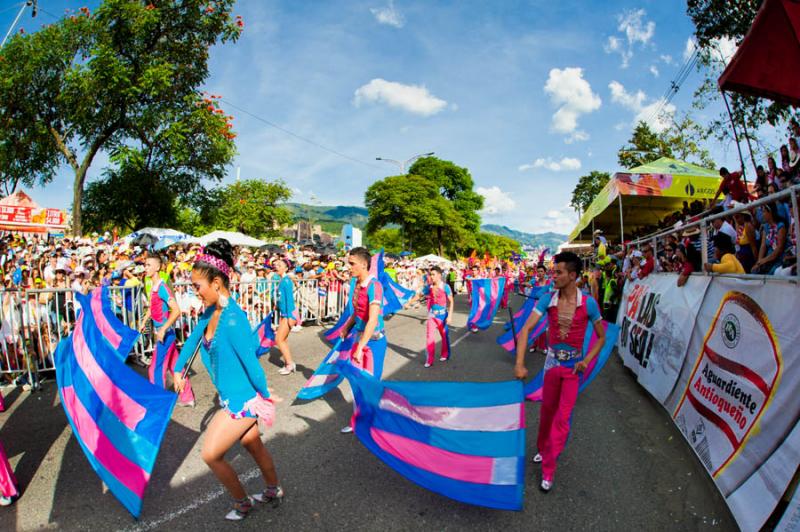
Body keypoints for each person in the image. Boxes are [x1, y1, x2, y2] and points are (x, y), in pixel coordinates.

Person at [173, 239, 283, 521]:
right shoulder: (211, 312)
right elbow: (193, 339)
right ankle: (274, 489)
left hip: (242, 400)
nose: (194, 292)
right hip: (231, 396)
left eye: (198, 286)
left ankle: (242, 502)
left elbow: (252, 365)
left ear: (218, 284)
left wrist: (264, 395)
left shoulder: (233, 319)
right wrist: (177, 369)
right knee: (253, 445)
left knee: (210, 454)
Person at [513, 252, 605, 492]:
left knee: (562, 419)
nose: (554, 276)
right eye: (553, 272)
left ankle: (549, 469)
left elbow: (601, 338)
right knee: (547, 414)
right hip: (552, 367)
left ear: (572, 275)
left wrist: (586, 360)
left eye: (559, 272)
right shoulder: (547, 299)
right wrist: (520, 363)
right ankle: (543, 450)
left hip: (573, 370)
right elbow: (525, 331)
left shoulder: (588, 303)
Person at [338, 247, 387, 433]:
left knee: (371, 384)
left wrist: (361, 347)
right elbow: (357, 313)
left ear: (364, 264)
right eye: (347, 263)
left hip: (373, 343)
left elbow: (373, 319)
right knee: (356, 381)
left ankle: (374, 420)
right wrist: (346, 328)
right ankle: (358, 420)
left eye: (351, 263)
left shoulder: (375, 286)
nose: (348, 267)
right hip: (359, 339)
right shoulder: (356, 284)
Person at [142, 254, 194, 407]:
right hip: (163, 332)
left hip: (166, 335)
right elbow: (153, 308)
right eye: (145, 265)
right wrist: (143, 322)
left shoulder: (162, 287)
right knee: (175, 366)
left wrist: (163, 329)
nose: (146, 268)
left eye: (149, 265)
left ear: (157, 267)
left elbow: (176, 310)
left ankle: (159, 403)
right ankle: (188, 397)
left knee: (155, 369)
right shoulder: (153, 286)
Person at [407, 266, 453, 368]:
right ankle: (429, 359)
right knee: (429, 338)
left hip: (442, 316)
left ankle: (445, 354)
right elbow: (419, 295)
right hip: (432, 315)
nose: (431, 277)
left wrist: (449, 316)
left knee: (444, 336)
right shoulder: (429, 287)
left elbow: (451, 301)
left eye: (433, 275)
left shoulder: (445, 287)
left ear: (439, 275)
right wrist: (409, 302)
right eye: (430, 275)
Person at [273, 258, 298, 375]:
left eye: (280, 265)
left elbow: (290, 300)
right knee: (282, 339)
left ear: (286, 268)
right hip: (284, 314)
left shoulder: (286, 281)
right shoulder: (283, 280)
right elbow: (281, 297)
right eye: (276, 265)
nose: (276, 266)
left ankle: (289, 364)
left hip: (288, 314)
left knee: (279, 339)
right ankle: (289, 363)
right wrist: (276, 305)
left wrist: (290, 317)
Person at [753, 203, 787, 274]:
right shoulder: (766, 227)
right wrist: (759, 262)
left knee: (771, 274)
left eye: (764, 211)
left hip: (778, 258)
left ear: (770, 212)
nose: (762, 214)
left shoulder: (780, 226)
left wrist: (764, 260)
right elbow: (763, 246)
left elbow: (779, 248)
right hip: (768, 258)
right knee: (755, 271)